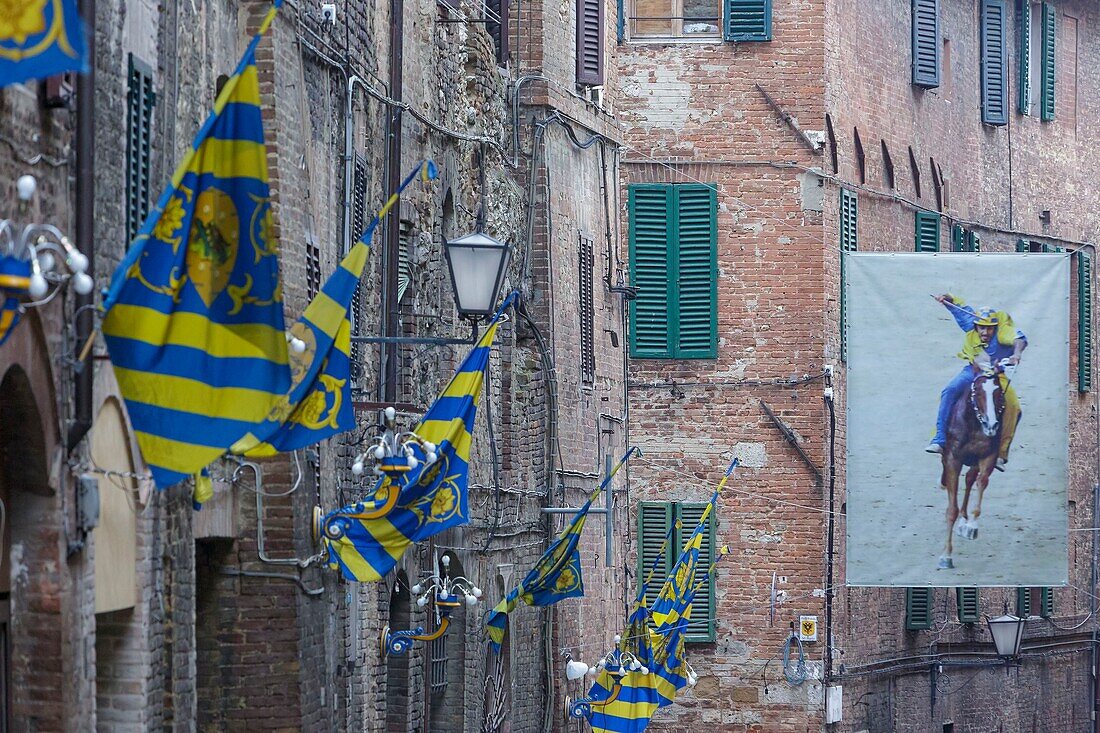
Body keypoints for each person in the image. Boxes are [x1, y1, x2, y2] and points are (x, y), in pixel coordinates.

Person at [925, 294, 1025, 469]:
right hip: (972, 370)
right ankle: (939, 438)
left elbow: (1018, 340)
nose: (985, 332)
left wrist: (1016, 354)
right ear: (976, 326)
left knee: (1014, 406)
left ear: (995, 328)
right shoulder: (970, 326)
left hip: (997, 374)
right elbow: (958, 309)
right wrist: (947, 298)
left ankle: (1001, 453)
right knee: (949, 390)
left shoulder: (1003, 333)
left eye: (989, 329)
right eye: (981, 328)